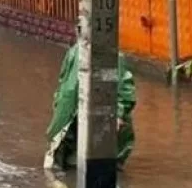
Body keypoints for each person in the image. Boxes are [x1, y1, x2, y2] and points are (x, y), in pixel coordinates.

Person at [43, 41, 137, 171]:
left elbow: (123, 89)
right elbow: (63, 82)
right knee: (68, 161)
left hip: (98, 116)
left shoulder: (110, 56)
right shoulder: (74, 51)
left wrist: (118, 115)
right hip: (74, 114)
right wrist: (58, 103)